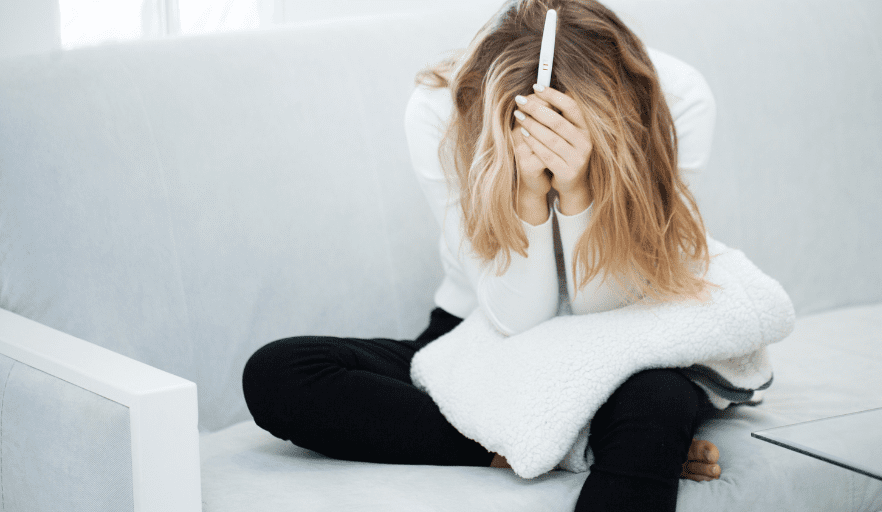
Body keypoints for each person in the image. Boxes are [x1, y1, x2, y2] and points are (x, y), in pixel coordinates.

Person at [242, 1, 723, 510]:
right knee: (280, 373)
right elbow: (517, 318)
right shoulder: (441, 107)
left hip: (617, 340)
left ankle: (565, 432)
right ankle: (557, 442)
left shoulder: (673, 98)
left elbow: (606, 314)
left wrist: (580, 192)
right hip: (477, 335)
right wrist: (527, 199)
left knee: (658, 402)